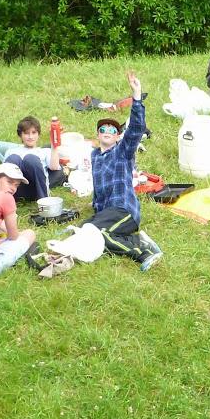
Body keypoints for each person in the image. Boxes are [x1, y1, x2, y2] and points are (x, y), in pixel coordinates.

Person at [85, 70, 163, 271]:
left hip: (123, 210)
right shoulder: (95, 156)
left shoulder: (122, 151)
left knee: (97, 234)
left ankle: (142, 251)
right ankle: (132, 238)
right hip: (107, 212)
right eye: (103, 129)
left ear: (118, 136)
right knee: (83, 232)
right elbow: (99, 191)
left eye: (112, 130)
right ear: (97, 135)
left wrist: (136, 96)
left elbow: (136, 128)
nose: (107, 132)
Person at [2, 115, 66, 202]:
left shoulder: (44, 151)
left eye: (33, 133)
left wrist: (54, 144)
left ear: (38, 134)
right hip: (16, 188)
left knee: (30, 159)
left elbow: (54, 167)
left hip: (35, 188)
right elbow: (3, 173)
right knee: (14, 158)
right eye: (26, 133)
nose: (30, 137)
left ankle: (44, 201)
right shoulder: (11, 151)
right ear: (20, 135)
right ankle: (4, 199)